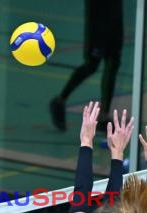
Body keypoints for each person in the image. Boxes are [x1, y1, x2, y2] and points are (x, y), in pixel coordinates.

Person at [49, 0, 124, 132]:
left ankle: (104, 116)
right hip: (98, 21)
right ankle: (60, 100)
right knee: (92, 64)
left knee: (113, 64)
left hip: (115, 18)